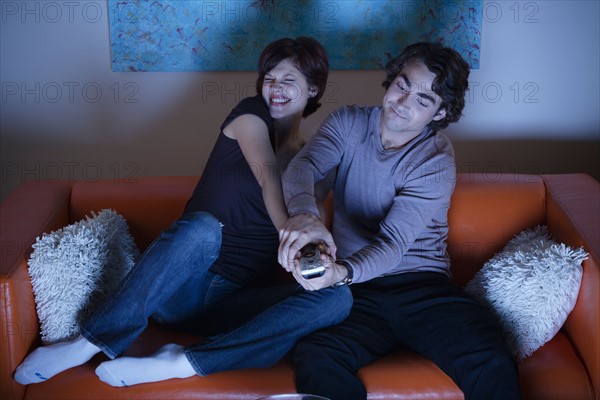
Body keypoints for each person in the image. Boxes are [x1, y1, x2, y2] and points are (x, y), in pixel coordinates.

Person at [14, 37, 352, 388]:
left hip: (234, 304)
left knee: (337, 297)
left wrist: (314, 253)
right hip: (180, 290)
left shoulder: (315, 159)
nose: (275, 88)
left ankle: (183, 362)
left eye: (289, 80)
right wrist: (291, 235)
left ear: (312, 88)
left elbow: (310, 216)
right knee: (203, 229)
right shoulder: (250, 114)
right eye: (270, 77)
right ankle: (87, 343)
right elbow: (268, 181)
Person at [278, 42, 521, 399]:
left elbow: (391, 245)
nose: (403, 102)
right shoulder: (348, 122)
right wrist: (305, 216)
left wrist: (339, 273)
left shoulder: (435, 160)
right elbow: (303, 167)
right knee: (316, 356)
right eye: (403, 86)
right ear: (392, 80)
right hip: (358, 294)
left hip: (421, 287)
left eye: (423, 100)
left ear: (440, 114)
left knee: (490, 359)